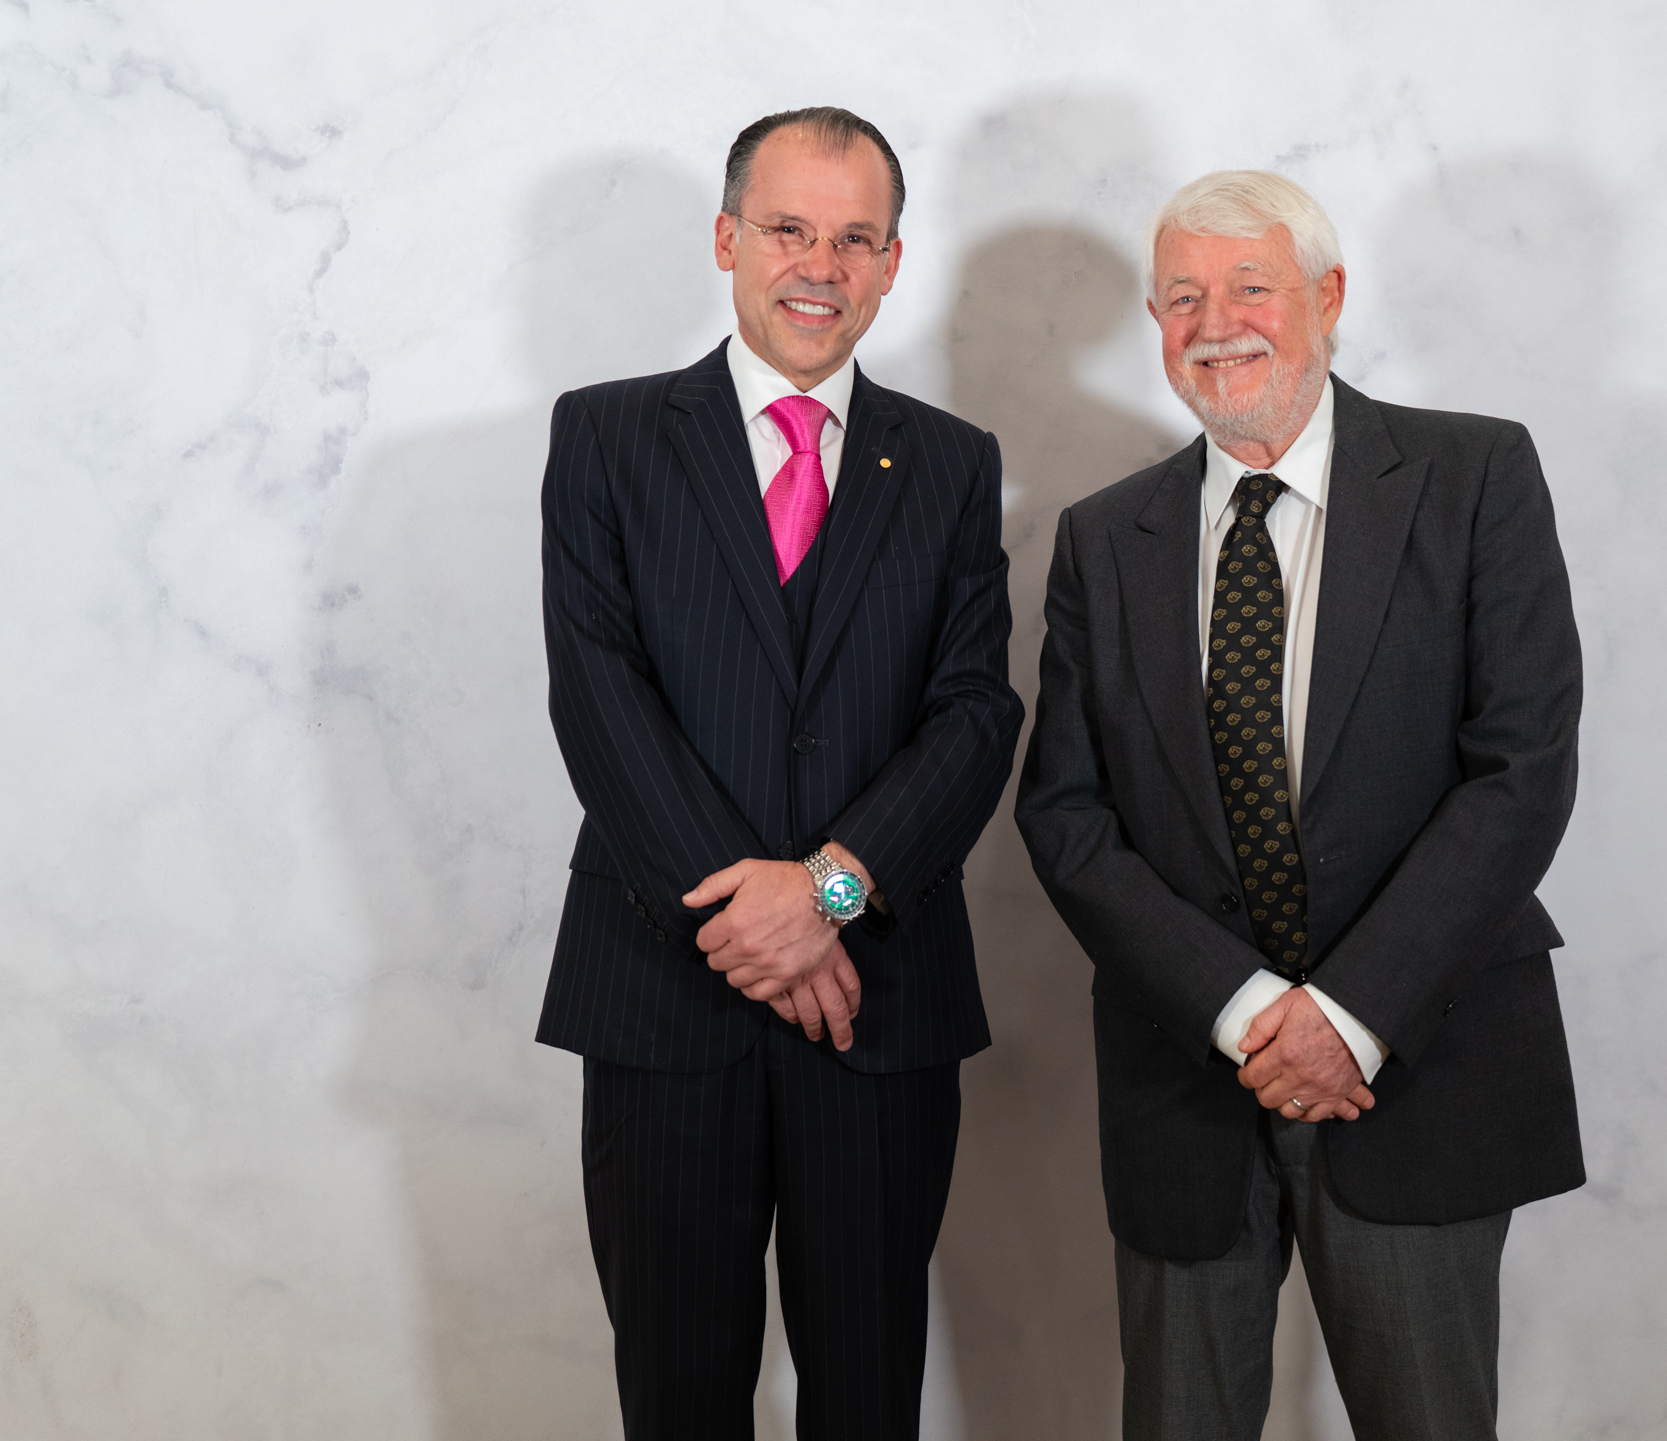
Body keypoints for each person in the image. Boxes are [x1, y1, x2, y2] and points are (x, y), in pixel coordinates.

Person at [1015, 170, 1585, 1440]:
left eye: (1249, 287)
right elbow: (1065, 814)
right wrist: (1241, 1008)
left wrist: (1348, 1015)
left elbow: (1522, 768)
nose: (1215, 323)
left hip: (1416, 1068)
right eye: (1181, 297)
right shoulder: (1106, 539)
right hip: (1185, 1078)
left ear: (1326, 298)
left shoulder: (1474, 474)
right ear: (1155, 324)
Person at [536, 106, 1022, 1439]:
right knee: (678, 1395)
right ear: (727, 239)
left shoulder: (951, 463)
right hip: (662, 997)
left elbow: (976, 713)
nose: (822, 265)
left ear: (893, 262)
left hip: (881, 1006)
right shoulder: (607, 436)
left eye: (856, 239)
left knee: (866, 1395)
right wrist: (757, 918)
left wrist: (831, 895)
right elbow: (598, 696)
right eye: (790, 229)